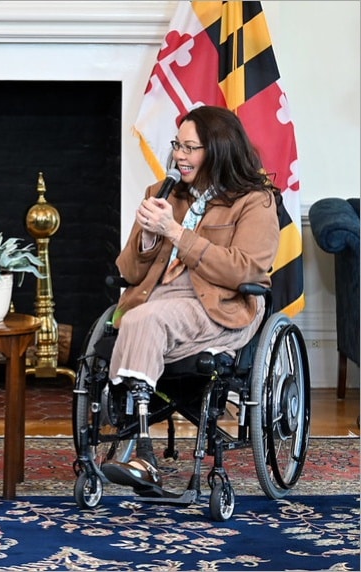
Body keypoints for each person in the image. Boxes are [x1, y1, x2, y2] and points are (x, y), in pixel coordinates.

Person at [100, 105, 281, 496]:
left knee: (143, 321)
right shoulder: (163, 194)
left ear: (217, 150)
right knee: (136, 318)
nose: (179, 155)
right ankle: (136, 446)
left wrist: (177, 233)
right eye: (177, 145)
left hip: (223, 305)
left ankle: (138, 450)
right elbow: (129, 272)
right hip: (158, 300)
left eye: (190, 147)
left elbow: (244, 271)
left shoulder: (255, 201)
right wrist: (149, 238)